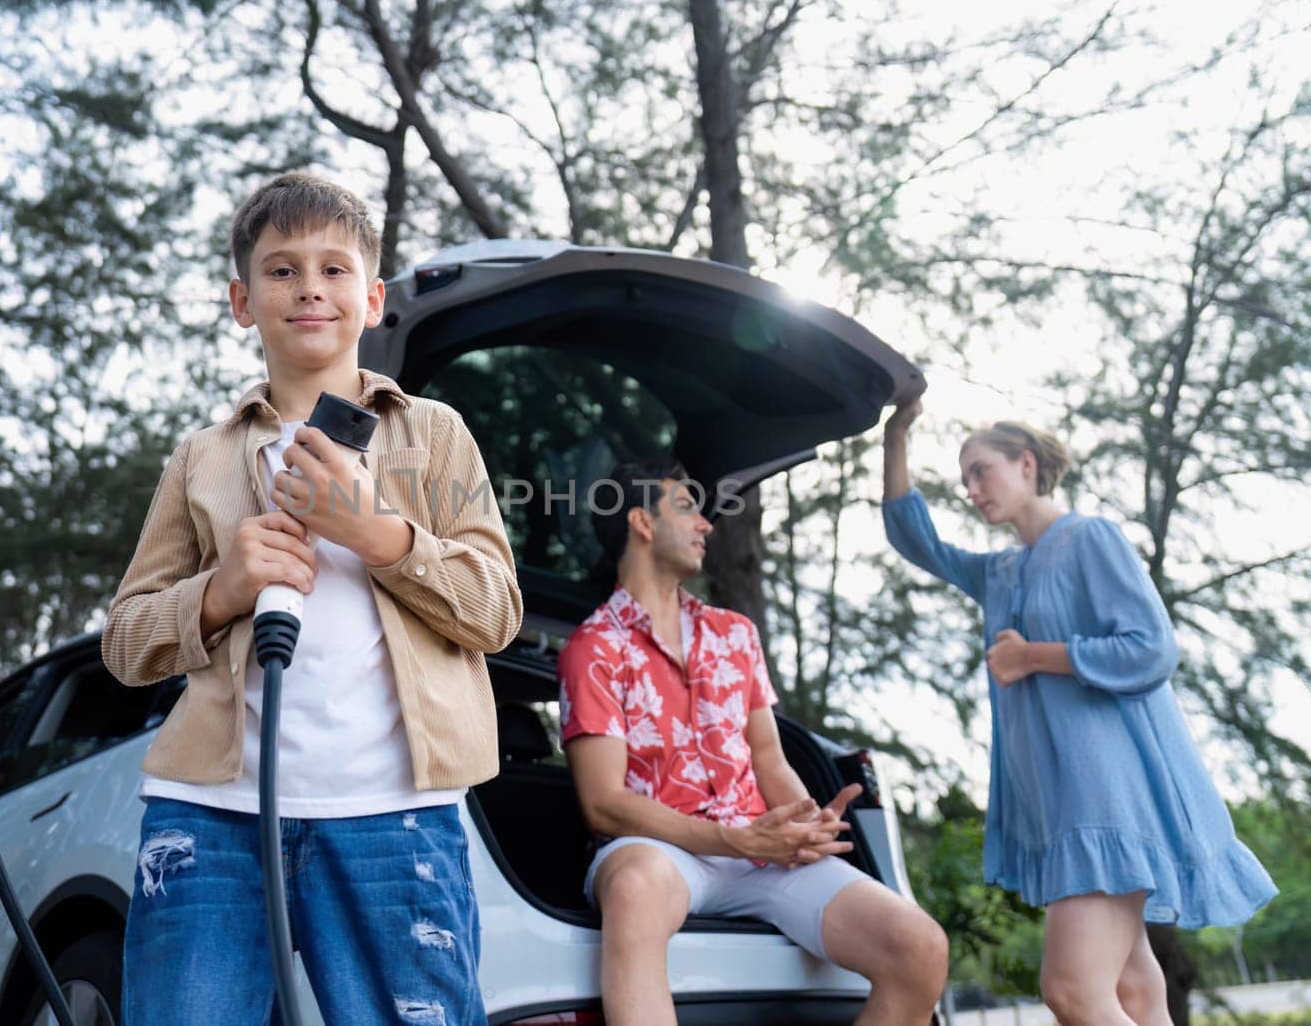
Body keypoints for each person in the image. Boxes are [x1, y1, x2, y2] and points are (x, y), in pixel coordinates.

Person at [102, 172, 523, 1025]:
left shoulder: (433, 433)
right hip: (211, 823)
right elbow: (124, 641)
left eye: (334, 269)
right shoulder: (201, 456)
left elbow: (495, 609)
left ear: (370, 299)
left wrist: (380, 536)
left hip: (394, 818)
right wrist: (221, 590)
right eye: (282, 269)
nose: (309, 288)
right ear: (241, 299)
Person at [881, 390, 1276, 1026]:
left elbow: (1151, 649)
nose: (972, 489)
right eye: (963, 480)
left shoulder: (1090, 537)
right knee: (1134, 997)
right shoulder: (1001, 572)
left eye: (982, 470)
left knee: (1070, 990)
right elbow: (916, 540)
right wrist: (895, 437)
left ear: (1028, 463)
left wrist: (1036, 656)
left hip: (1108, 800)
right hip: (1060, 804)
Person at [558, 458, 948, 1026]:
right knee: (635, 887)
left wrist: (801, 822)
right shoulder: (592, 648)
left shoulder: (734, 634)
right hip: (661, 850)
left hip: (758, 850)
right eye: (687, 507)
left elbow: (769, 758)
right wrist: (731, 839)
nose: (707, 525)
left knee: (920, 948)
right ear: (641, 523)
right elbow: (604, 805)